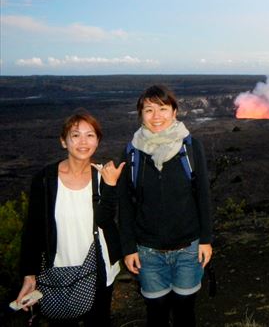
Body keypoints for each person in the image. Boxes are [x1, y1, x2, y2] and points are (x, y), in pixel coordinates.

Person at [15, 109, 124, 326]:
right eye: (75, 135)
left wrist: (110, 186)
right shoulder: (45, 180)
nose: (83, 141)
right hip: (58, 272)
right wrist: (29, 275)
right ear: (64, 142)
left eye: (90, 135)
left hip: (99, 270)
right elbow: (33, 229)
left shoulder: (104, 176)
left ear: (98, 141)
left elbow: (105, 220)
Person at [118, 84, 213, 327]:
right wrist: (129, 248)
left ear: (174, 112)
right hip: (148, 252)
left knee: (184, 313)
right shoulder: (131, 153)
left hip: (188, 248)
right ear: (141, 114)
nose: (156, 116)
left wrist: (205, 240)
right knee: (156, 314)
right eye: (149, 110)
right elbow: (126, 204)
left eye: (162, 108)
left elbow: (203, 195)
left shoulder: (190, 148)